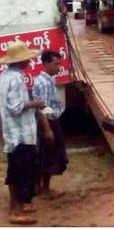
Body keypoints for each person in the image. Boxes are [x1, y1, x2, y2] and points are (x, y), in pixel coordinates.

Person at [0, 41, 45, 224]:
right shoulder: (16, 78)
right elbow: (16, 107)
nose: (30, 62)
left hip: (13, 132)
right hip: (19, 134)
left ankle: (21, 204)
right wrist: (36, 103)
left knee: (18, 170)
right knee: (19, 171)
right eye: (28, 59)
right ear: (21, 62)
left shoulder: (5, 76)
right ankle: (14, 210)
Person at [32, 50, 68, 200]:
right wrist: (48, 130)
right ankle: (45, 189)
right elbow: (43, 109)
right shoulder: (44, 83)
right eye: (56, 64)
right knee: (50, 154)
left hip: (47, 121)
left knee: (43, 154)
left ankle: (38, 187)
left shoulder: (46, 80)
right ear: (46, 64)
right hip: (48, 122)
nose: (59, 67)